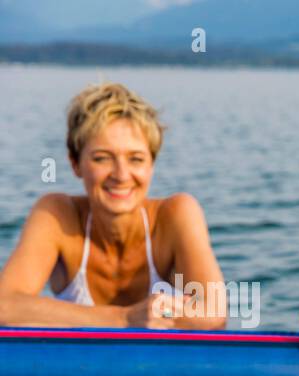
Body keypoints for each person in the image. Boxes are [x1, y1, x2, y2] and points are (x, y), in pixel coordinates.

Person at [0, 81, 226, 329]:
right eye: (102, 158)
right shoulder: (57, 214)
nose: (121, 175)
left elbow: (213, 314)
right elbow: (4, 306)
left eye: (136, 159)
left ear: (151, 165)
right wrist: (125, 318)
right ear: (75, 163)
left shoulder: (176, 214)